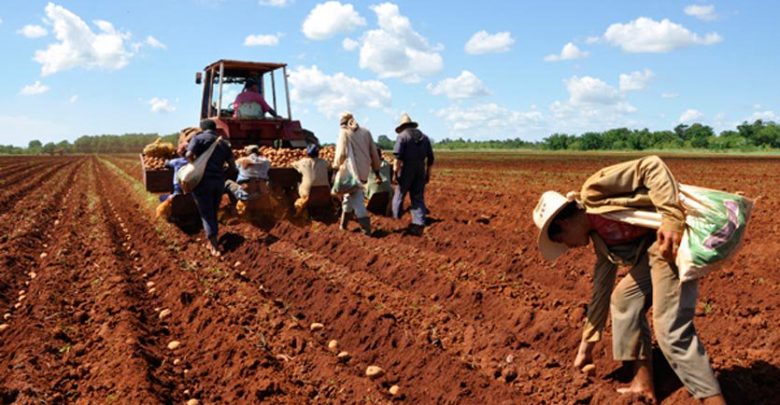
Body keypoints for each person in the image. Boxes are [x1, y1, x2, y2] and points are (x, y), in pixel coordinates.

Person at [532, 156, 725, 405]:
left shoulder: (594, 192)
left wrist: (671, 219)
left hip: (671, 242)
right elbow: (600, 294)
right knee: (624, 300)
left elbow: (651, 166)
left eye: (561, 240)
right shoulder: (602, 243)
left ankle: (714, 400)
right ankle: (643, 385)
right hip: (654, 251)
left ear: (563, 223)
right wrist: (585, 350)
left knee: (669, 329)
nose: (567, 247)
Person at [187, 119, 235, 257]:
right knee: (213, 210)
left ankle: (214, 245)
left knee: (206, 213)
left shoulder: (198, 138)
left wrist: (196, 166)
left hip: (202, 182)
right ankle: (212, 240)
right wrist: (222, 174)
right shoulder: (224, 143)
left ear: (202, 129)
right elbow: (232, 166)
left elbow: (189, 155)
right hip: (218, 182)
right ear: (215, 129)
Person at [333, 112, 382, 235]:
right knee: (349, 196)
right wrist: (376, 171)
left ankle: (366, 230)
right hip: (364, 171)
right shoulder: (366, 132)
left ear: (342, 123)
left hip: (352, 172)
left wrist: (335, 168)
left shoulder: (344, 132)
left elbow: (341, 154)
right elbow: (374, 153)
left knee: (357, 198)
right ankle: (343, 225)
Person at [392, 113, 434, 235]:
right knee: (418, 196)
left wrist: (395, 173)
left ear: (402, 126)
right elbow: (430, 158)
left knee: (399, 194)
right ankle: (419, 222)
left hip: (406, 169)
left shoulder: (402, 136)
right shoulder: (425, 137)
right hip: (420, 169)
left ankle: (396, 220)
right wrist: (428, 173)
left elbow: (398, 158)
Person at [292, 144, 330, 216]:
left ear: (307, 153)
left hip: (308, 194)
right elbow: (330, 166)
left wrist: (293, 162)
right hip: (325, 193)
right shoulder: (324, 162)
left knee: (298, 183)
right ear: (318, 153)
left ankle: (299, 206)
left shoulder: (303, 162)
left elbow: (293, 164)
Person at [155, 145, 189, 220]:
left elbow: (166, 163)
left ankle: (172, 216)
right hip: (192, 188)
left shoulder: (177, 161)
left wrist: (167, 159)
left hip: (178, 188)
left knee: (162, 197)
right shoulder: (195, 162)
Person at [365, 145, 393, 215]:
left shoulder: (367, 165)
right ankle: (388, 212)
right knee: (393, 192)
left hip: (372, 189)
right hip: (386, 189)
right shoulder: (387, 164)